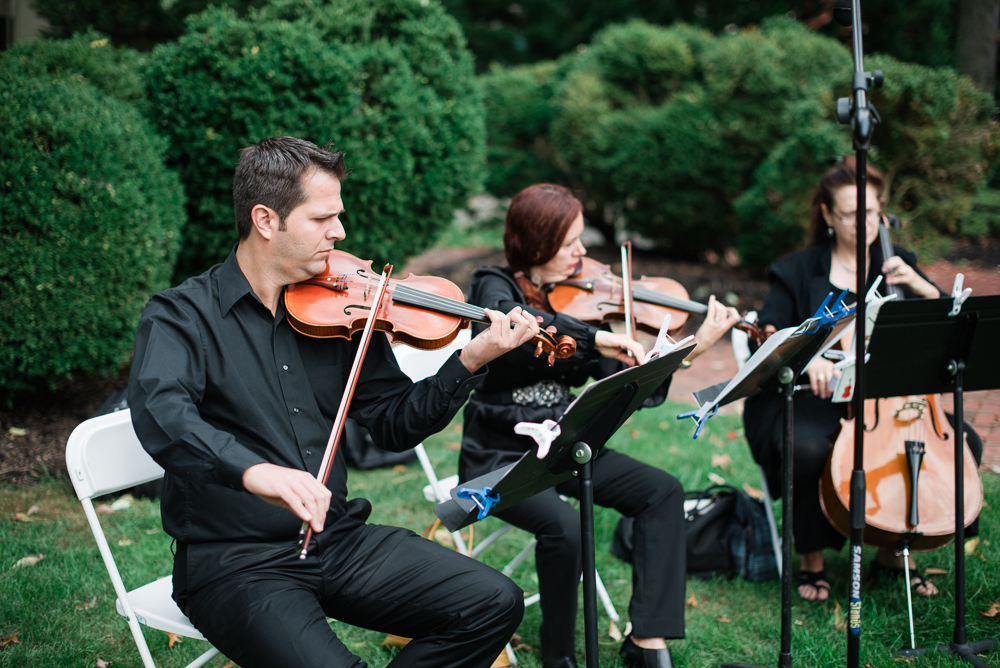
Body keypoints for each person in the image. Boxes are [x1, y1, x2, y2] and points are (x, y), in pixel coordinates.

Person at [129, 136, 543, 668]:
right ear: (265, 220)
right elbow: (163, 414)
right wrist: (255, 472)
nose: (340, 232)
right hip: (235, 562)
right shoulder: (181, 316)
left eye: (339, 216)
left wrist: (469, 361)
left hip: (337, 539)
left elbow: (395, 423)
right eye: (322, 218)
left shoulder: (342, 310)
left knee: (492, 602)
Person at [458, 183, 740, 668]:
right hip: (498, 458)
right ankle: (560, 656)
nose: (582, 253)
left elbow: (638, 389)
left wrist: (684, 349)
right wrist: (597, 338)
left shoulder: (587, 301)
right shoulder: (493, 284)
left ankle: (647, 640)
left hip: (565, 445)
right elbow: (520, 329)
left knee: (662, 490)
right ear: (535, 241)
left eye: (580, 241)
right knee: (565, 527)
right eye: (570, 243)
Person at [742, 157, 983, 602]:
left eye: (873, 212)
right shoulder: (797, 270)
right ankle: (812, 560)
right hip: (811, 396)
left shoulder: (897, 264)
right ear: (828, 216)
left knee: (961, 442)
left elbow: (944, 329)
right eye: (853, 213)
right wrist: (805, 353)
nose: (867, 222)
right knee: (810, 445)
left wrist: (925, 290)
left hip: (885, 400)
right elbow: (767, 329)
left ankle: (895, 548)